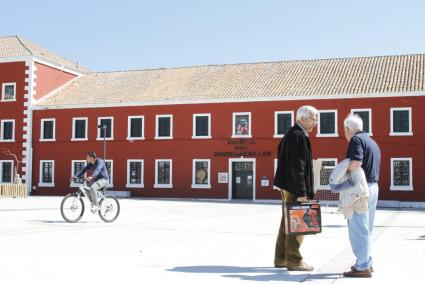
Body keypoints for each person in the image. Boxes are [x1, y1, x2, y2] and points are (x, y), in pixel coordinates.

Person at [273, 105, 318, 271]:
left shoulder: (290, 133)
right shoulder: (298, 135)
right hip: (293, 187)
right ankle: (294, 260)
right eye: (314, 119)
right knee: (297, 223)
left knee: (287, 222)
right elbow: (297, 166)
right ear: (303, 119)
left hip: (287, 184)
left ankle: (281, 259)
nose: (316, 122)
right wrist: (302, 191)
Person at [342, 114, 380, 278]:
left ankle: (362, 266)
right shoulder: (372, 142)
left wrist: (342, 169)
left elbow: (356, 163)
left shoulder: (356, 140)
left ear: (348, 129)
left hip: (360, 189)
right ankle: (368, 262)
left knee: (358, 228)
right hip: (372, 187)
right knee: (366, 228)